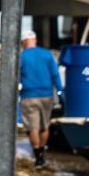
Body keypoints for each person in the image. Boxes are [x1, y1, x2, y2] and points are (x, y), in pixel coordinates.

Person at [19, 30, 62, 168]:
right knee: (44, 126)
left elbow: (15, 77)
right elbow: (55, 74)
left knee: (32, 127)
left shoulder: (21, 56)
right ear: (35, 40)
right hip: (47, 95)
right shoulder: (46, 54)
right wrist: (60, 91)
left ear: (24, 42)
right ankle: (42, 154)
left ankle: (37, 156)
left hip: (29, 96)